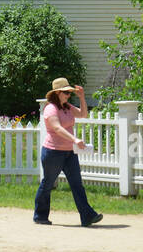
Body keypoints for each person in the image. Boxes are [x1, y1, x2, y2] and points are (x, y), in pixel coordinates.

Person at [32, 78, 103, 227]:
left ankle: (88, 216)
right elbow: (57, 128)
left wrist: (82, 97)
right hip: (53, 152)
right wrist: (75, 139)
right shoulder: (50, 109)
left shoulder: (67, 107)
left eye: (70, 93)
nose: (68, 95)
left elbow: (83, 114)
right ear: (57, 93)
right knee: (48, 183)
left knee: (77, 184)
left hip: (69, 153)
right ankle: (40, 216)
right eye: (66, 93)